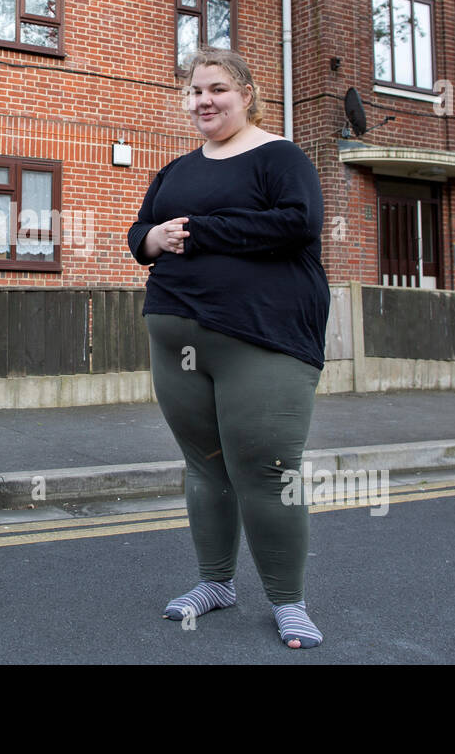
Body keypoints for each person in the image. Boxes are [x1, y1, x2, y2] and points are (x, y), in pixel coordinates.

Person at [126, 48, 331, 649]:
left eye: (217, 89)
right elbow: (142, 233)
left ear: (246, 93)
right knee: (204, 466)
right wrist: (152, 238)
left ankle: (287, 600)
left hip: (261, 338)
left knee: (267, 472)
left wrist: (197, 231)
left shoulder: (280, 157)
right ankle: (215, 582)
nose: (204, 101)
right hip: (175, 334)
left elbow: (299, 222)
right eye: (194, 92)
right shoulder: (175, 169)